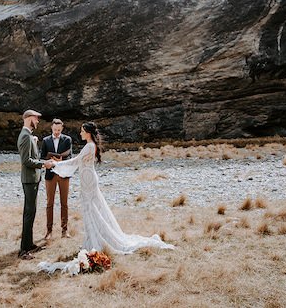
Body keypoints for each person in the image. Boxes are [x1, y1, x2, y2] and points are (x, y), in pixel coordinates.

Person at [47, 121, 174, 254]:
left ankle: (96, 240)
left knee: (91, 209)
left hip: (88, 180)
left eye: (82, 131)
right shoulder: (90, 146)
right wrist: (57, 163)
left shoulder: (89, 146)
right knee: (91, 209)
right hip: (87, 178)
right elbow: (78, 161)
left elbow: (75, 161)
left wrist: (55, 164)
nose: (80, 133)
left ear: (88, 133)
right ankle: (91, 239)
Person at [17, 109, 54, 260]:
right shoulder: (25, 136)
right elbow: (26, 161)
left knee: (31, 213)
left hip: (33, 178)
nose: (38, 121)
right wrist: (44, 164)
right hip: (29, 179)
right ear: (28, 118)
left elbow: (31, 156)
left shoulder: (28, 136)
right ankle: (23, 251)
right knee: (28, 213)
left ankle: (29, 244)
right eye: (36, 118)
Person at [40, 118, 72, 240]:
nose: (57, 132)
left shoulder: (67, 140)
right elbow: (41, 157)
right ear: (51, 128)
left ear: (62, 129)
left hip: (63, 174)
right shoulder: (46, 140)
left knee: (64, 203)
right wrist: (49, 161)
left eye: (59, 130)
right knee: (49, 203)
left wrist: (61, 160)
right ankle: (49, 231)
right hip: (50, 175)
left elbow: (70, 156)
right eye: (55, 130)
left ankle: (64, 231)